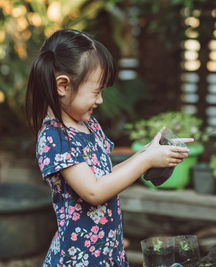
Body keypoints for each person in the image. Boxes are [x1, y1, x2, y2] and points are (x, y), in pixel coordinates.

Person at [25, 29, 193, 266]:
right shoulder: (54, 137)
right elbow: (94, 191)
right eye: (96, 91)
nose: (101, 100)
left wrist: (147, 153)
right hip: (79, 258)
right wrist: (145, 161)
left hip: (107, 252)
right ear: (62, 85)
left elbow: (106, 176)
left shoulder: (88, 124)